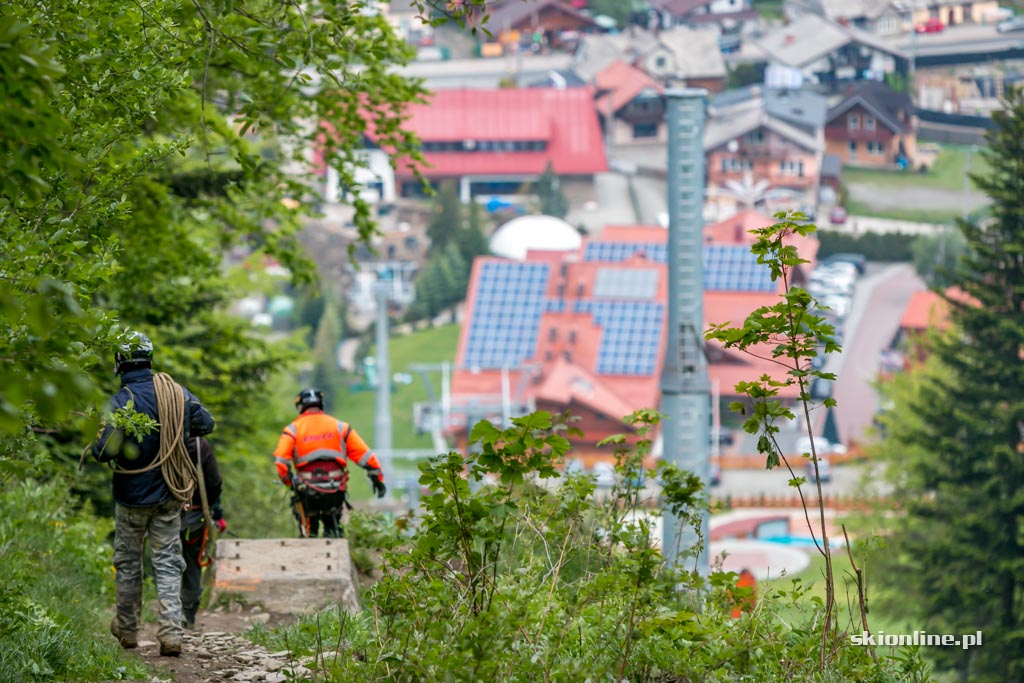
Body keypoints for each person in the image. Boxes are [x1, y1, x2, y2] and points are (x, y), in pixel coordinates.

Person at [90, 332, 215, 657]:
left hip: (131, 499)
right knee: (168, 563)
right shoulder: (178, 395)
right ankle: (171, 634)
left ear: (120, 362)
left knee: (128, 563)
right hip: (169, 497)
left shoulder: (121, 402)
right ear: (149, 359)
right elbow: (207, 423)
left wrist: (95, 443)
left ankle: (128, 631)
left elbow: (103, 452)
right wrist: (176, 427)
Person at [272, 387, 386, 538]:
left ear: (300, 407)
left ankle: (308, 539)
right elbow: (366, 457)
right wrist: (377, 479)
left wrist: (288, 481)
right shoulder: (341, 428)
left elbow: (281, 461)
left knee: (308, 529)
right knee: (333, 527)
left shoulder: (292, 430)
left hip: (306, 491)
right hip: (335, 489)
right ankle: (332, 534)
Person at [179, 436, 226, 630]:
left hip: (162, 513)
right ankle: (187, 614)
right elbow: (214, 483)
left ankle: (170, 611)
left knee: (165, 561)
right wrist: (216, 512)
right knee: (191, 564)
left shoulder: (158, 437)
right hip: (194, 516)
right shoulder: (199, 446)